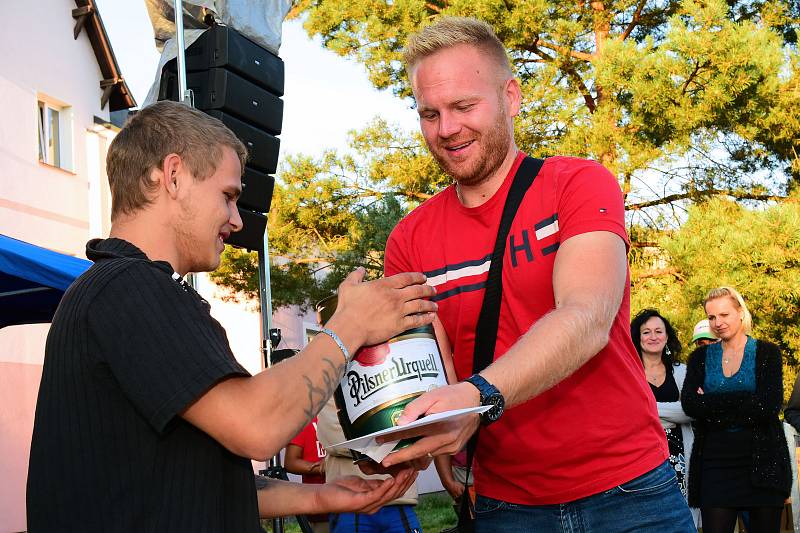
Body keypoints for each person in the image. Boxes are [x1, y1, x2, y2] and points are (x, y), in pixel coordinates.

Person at [25, 100, 439, 532]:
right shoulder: (129, 289)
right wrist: (351, 325)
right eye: (228, 196)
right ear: (173, 176)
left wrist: (321, 496)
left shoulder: (121, 292)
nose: (236, 220)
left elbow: (195, 474)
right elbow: (256, 426)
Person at [378, 16, 695, 532]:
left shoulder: (579, 184)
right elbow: (430, 366)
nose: (446, 129)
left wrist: (477, 398)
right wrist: (428, 443)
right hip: (506, 505)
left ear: (511, 97)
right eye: (429, 113)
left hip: (632, 492)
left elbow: (587, 315)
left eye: (463, 106)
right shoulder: (408, 239)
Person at [681, 286, 791, 533]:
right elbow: (690, 404)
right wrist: (746, 400)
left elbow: (769, 406)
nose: (717, 323)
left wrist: (711, 403)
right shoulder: (699, 359)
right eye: (711, 317)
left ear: (740, 313)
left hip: (763, 463)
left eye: (724, 315)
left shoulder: (767, 353)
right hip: (715, 465)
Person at [631, 309, 699, 525]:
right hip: (642, 456)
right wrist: (673, 412)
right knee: (646, 520)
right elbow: (628, 414)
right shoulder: (629, 373)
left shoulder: (683, 371)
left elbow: (692, 410)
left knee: (679, 520)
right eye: (646, 332)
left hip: (680, 457)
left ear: (667, 336)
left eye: (658, 331)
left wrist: (646, 408)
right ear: (637, 337)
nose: (653, 337)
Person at [316, 396, 422, 533]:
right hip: (350, 503)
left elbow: (421, 428)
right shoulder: (332, 385)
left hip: (399, 500)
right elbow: (333, 438)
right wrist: (401, 442)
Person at [285, 418, 330, 533]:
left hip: (354, 506)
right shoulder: (305, 419)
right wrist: (323, 468)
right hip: (321, 511)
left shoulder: (343, 412)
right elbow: (291, 462)